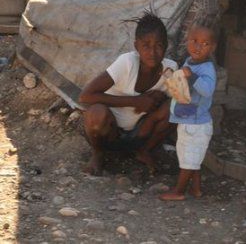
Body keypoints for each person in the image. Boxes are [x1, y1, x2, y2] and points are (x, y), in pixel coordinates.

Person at [79, 11, 177, 175]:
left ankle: (144, 151)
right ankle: (98, 153)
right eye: (146, 46)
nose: (152, 52)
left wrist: (163, 97)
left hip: (140, 132)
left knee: (175, 108)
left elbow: (183, 100)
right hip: (110, 131)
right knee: (96, 113)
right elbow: (86, 96)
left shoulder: (169, 69)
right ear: (136, 46)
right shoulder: (127, 63)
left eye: (159, 45)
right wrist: (136, 101)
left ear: (166, 46)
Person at [160, 25, 217, 201]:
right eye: (194, 41)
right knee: (192, 158)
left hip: (196, 124)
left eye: (205, 43)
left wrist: (191, 76)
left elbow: (207, 90)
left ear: (212, 48)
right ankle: (196, 189)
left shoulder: (207, 68)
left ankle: (178, 191)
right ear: (187, 41)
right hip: (188, 120)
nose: (198, 47)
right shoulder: (189, 62)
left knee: (188, 160)